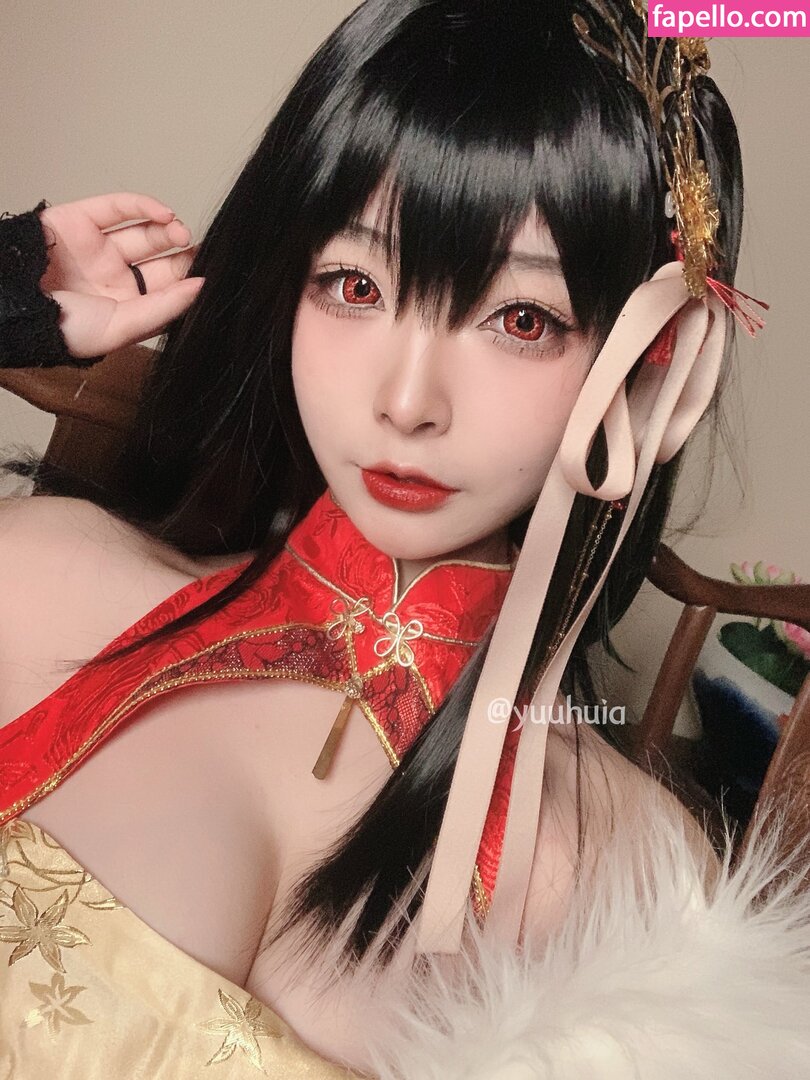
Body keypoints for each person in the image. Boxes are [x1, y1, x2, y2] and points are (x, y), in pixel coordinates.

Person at [0, 1, 808, 1076]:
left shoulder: (636, 871)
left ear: (647, 364)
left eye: (522, 319)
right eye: (356, 285)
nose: (408, 401)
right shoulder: (41, 580)